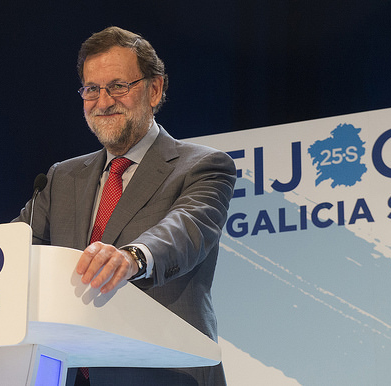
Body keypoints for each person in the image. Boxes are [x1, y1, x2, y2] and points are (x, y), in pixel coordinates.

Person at [14, 26, 236, 386]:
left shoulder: (203, 166)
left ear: (155, 89)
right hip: (66, 373)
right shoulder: (62, 177)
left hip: (164, 373)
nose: (103, 102)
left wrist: (133, 256)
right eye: (92, 89)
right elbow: (13, 247)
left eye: (118, 86)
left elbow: (184, 230)